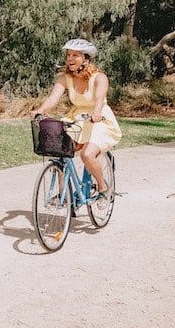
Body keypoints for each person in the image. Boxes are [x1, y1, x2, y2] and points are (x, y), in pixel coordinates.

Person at [31, 39, 122, 208]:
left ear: (86, 58)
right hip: (77, 117)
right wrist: (40, 110)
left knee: (87, 155)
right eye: (68, 55)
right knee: (59, 148)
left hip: (98, 118)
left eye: (75, 55)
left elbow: (100, 99)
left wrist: (96, 113)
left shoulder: (99, 78)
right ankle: (63, 194)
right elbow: (53, 98)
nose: (70, 59)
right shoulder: (65, 78)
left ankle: (103, 188)